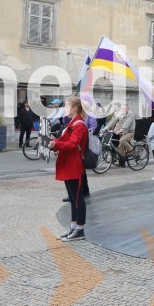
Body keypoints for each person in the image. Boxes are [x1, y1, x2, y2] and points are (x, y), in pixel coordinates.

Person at [49, 97, 89, 242]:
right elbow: (64, 141)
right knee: (73, 198)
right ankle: (73, 227)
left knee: (77, 199)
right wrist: (52, 142)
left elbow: (72, 144)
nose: (65, 109)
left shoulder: (79, 125)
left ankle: (80, 229)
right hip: (69, 164)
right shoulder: (73, 123)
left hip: (74, 164)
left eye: (67, 106)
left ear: (74, 108)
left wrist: (56, 145)